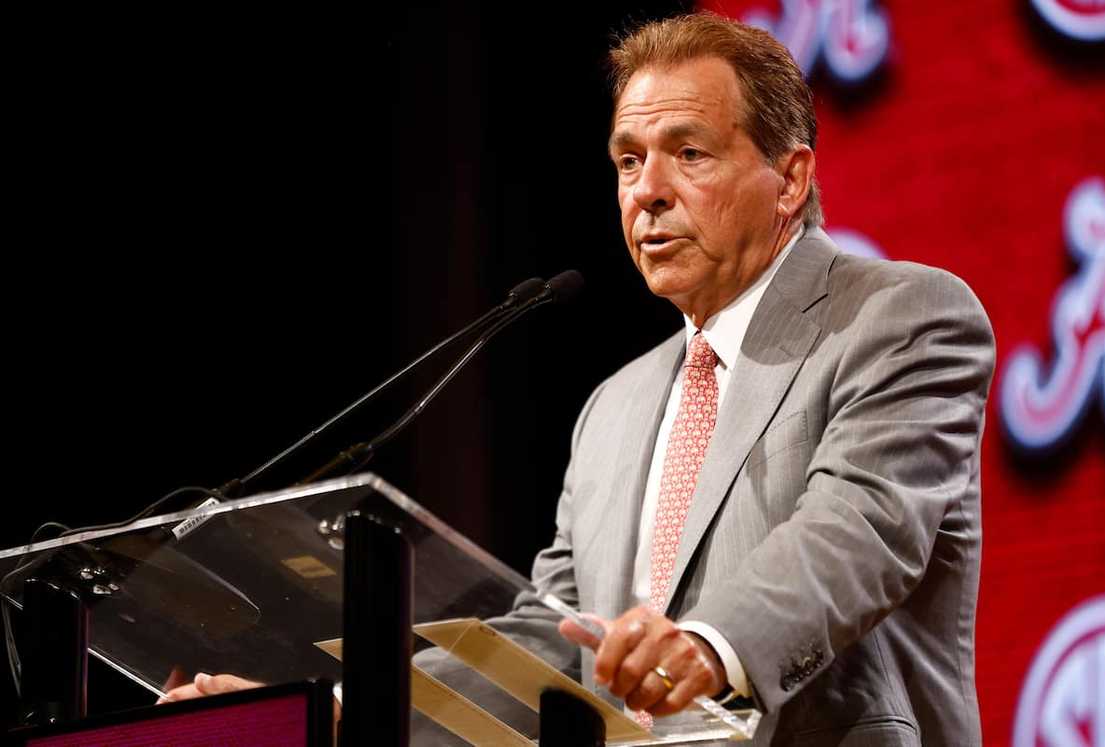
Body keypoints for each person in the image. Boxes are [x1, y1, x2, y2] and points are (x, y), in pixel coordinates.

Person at [166, 13, 995, 746]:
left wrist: (709, 643)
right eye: (628, 161)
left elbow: (859, 528)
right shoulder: (616, 405)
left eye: (689, 154)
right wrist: (346, 714)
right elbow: (554, 637)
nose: (648, 193)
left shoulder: (900, 316)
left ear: (790, 179)